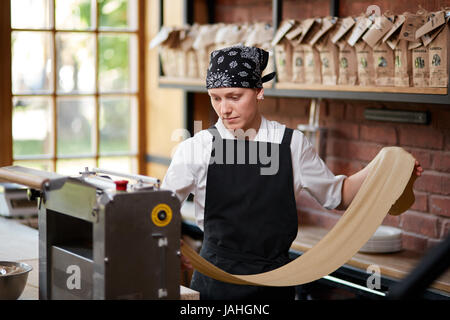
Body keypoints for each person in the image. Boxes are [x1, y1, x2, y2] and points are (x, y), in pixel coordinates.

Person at [161, 45, 423, 300]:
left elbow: (338, 196)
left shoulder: (291, 144)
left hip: (275, 282)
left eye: (234, 97)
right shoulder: (196, 148)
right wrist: (170, 245)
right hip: (215, 283)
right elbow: (160, 211)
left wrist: (385, 166)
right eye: (216, 98)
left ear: (259, 91)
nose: (224, 109)